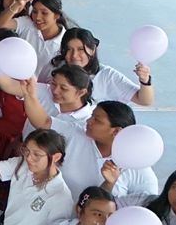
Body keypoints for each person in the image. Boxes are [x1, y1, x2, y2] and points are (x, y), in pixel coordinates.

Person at [18, 72, 158, 199]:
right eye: (92, 116)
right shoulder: (76, 133)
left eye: (97, 120)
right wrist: (29, 95)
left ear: (116, 131)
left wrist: (109, 184)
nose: (89, 121)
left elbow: (146, 205)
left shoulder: (137, 168)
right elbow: (43, 122)